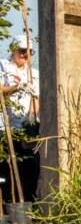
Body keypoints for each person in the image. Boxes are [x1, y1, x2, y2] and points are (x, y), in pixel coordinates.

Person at [0, 34, 40, 202]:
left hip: (25, 127)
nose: (25, 55)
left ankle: (28, 202)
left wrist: (32, 116)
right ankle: (7, 202)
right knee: (6, 169)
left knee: (30, 166)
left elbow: (37, 98)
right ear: (13, 50)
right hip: (6, 126)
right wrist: (17, 87)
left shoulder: (33, 73)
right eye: (22, 51)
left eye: (29, 52)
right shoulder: (3, 65)